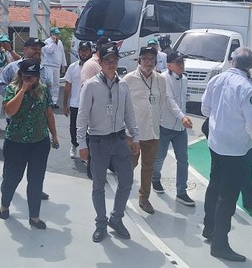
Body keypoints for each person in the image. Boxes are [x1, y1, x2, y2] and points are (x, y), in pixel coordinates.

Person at [201, 47, 252, 263]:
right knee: (228, 197)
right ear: (250, 66)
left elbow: (205, 110)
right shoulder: (247, 88)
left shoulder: (216, 80)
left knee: (214, 185)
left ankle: (209, 228)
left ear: (232, 61)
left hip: (216, 144)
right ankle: (220, 244)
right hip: (236, 150)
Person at [77, 43, 139, 243]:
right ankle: (101, 223)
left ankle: (116, 218)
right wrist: (81, 144)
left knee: (127, 181)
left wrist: (135, 137)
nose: (112, 64)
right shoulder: (91, 86)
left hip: (119, 139)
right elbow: (82, 116)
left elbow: (129, 113)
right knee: (98, 185)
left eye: (114, 60)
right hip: (98, 141)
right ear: (101, 62)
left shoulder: (123, 85)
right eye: (107, 61)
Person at [0, 59, 58, 229]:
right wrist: (23, 90)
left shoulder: (43, 90)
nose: (29, 80)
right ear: (20, 75)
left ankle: (34, 217)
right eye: (26, 76)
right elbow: (10, 111)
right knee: (12, 178)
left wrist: (54, 135)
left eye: (32, 77)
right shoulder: (12, 89)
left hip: (39, 142)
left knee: (36, 180)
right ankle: (5, 204)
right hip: (16, 142)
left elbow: (49, 113)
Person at [124, 45, 183, 214]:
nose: (148, 62)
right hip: (134, 133)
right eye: (145, 59)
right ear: (139, 60)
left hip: (152, 132)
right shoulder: (129, 79)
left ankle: (144, 198)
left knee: (148, 167)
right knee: (130, 165)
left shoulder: (160, 80)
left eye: (152, 59)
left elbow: (162, 102)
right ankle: (123, 194)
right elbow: (123, 106)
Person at [152, 51, 195, 206]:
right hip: (165, 125)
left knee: (183, 160)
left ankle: (181, 192)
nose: (181, 65)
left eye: (182, 62)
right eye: (178, 62)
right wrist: (182, 117)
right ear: (169, 65)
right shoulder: (163, 78)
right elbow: (169, 100)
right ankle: (155, 178)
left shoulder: (185, 79)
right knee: (160, 156)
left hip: (180, 129)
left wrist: (184, 117)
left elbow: (182, 101)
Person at [62, 41, 93, 159]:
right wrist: (65, 104)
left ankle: (87, 151)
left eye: (86, 51)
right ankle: (74, 145)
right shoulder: (73, 67)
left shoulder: (95, 66)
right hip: (75, 104)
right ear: (78, 52)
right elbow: (67, 86)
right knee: (74, 128)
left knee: (88, 129)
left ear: (90, 52)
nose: (83, 53)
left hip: (90, 105)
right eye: (81, 51)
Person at [42, 27, 66, 109]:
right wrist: (53, 42)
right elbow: (49, 51)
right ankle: (48, 100)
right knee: (50, 82)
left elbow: (62, 53)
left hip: (57, 66)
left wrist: (63, 64)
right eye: (55, 34)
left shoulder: (60, 42)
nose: (56, 35)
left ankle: (54, 101)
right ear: (51, 34)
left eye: (57, 34)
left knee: (56, 84)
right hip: (49, 65)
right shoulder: (47, 42)